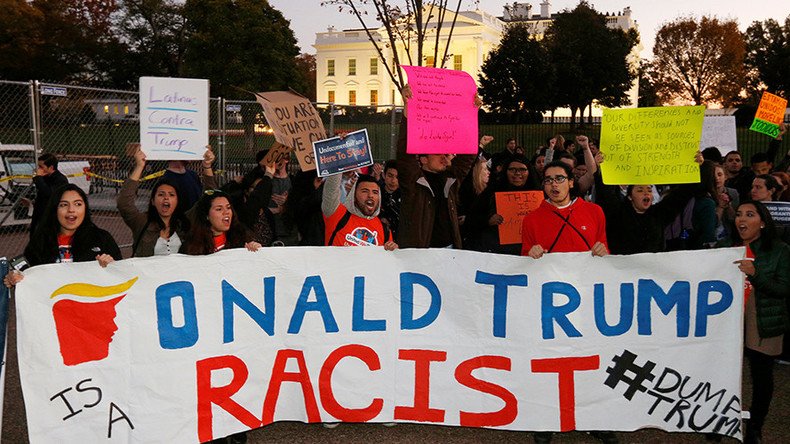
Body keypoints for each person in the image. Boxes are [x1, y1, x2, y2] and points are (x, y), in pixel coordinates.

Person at [721, 201, 790, 444]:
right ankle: (719, 421)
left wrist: (756, 274)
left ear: (762, 222)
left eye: (750, 215)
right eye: (739, 214)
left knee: (762, 378)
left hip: (763, 321)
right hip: (728, 321)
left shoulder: (779, 250)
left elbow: (783, 289)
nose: (742, 219)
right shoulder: (727, 249)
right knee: (723, 373)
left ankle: (755, 426)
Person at [395, 84, 482, 249]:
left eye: (445, 152)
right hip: (420, 254)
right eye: (437, 153)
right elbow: (404, 151)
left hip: (450, 252)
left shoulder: (451, 179)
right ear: (423, 159)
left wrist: (472, 113)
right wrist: (408, 110)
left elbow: (468, 153)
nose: (444, 156)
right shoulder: (413, 181)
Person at [4, 184, 121, 287]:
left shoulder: (102, 238)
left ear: (85, 208)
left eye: (78, 204)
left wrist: (112, 266)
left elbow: (122, 277)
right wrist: (14, 279)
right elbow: (28, 278)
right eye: (64, 205)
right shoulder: (41, 240)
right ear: (55, 209)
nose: (71, 210)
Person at [117, 147, 217, 257]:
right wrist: (139, 166)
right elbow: (124, 204)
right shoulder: (142, 222)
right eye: (161, 194)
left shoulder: (185, 222)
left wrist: (207, 167)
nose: (166, 198)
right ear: (153, 201)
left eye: (171, 195)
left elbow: (210, 199)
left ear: (177, 201)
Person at [521, 161, 608, 258]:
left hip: (587, 271)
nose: (554, 184)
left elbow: (603, 248)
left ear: (571, 182)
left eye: (559, 178)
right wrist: (530, 254)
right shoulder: (531, 219)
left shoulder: (594, 211)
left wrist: (602, 252)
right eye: (548, 180)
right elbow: (525, 257)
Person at [321, 171, 397, 250]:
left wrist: (394, 251)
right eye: (365, 191)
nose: (370, 196)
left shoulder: (385, 230)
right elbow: (331, 188)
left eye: (375, 192)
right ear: (353, 195)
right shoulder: (337, 214)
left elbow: (387, 260)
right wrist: (337, 163)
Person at [179, 189, 261, 255]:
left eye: (228, 207)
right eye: (219, 209)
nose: (226, 212)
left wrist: (256, 250)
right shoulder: (191, 245)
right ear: (206, 215)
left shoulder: (243, 237)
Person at [29, 152, 69, 239]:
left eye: (41, 167)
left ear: (51, 167)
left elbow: (49, 193)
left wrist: (38, 178)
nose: (39, 169)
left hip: (51, 217)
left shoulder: (60, 179)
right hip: (40, 214)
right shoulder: (45, 177)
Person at [379, 160, 402, 237]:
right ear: (383, 175)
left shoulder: (407, 197)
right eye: (390, 176)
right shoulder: (376, 193)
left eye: (397, 177)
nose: (393, 181)